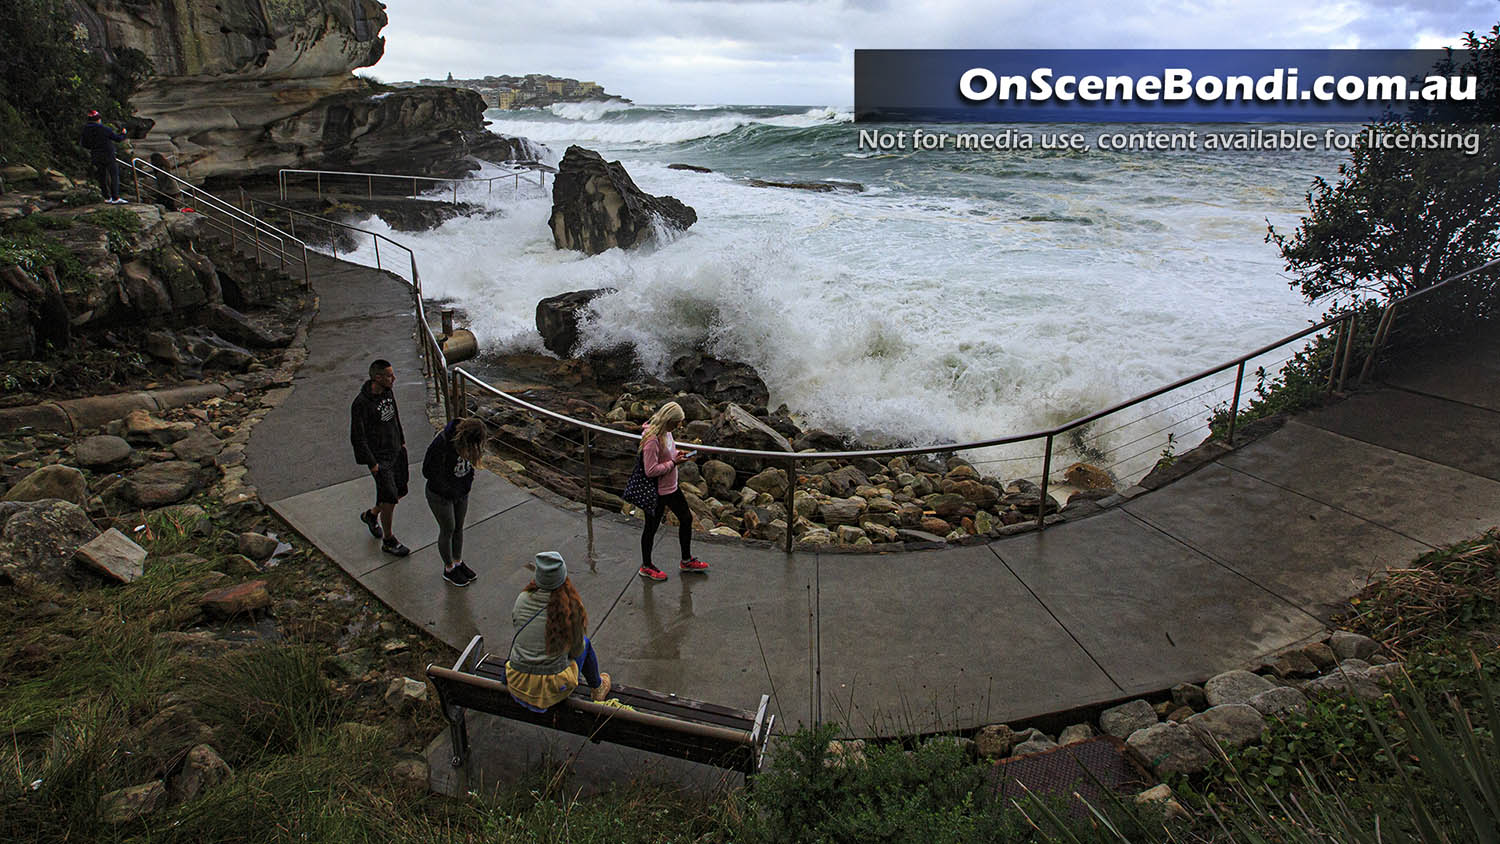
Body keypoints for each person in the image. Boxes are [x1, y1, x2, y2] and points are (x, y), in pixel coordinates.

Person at [506, 552, 611, 710]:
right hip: (552, 690)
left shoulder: (523, 599)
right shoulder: (571, 607)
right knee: (586, 645)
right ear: (563, 577)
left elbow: (518, 627)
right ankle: (598, 687)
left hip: (517, 681)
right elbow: (577, 651)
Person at [637, 401, 709, 581]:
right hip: (657, 491)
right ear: (669, 420)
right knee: (651, 528)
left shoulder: (667, 433)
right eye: (678, 422)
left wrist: (678, 454)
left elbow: (668, 452)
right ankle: (646, 566)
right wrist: (674, 463)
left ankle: (686, 560)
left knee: (686, 518)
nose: (680, 425)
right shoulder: (652, 440)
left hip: (671, 487)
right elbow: (650, 470)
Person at [350, 358, 410, 556]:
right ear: (377, 377)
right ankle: (389, 539)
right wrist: (372, 463)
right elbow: (357, 437)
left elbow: (395, 416)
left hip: (395, 450)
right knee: (390, 498)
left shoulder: (388, 391)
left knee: (399, 491)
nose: (394, 378)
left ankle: (371, 514)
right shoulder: (361, 404)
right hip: (379, 458)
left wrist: (401, 441)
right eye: (390, 376)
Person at [423, 416, 486, 586]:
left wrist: (466, 486)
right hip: (440, 495)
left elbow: (470, 467)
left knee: (459, 528)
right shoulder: (442, 444)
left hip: (461, 493)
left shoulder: (468, 446)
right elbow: (427, 471)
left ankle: (458, 561)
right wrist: (447, 489)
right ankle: (449, 568)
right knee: (447, 529)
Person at [80, 110, 128, 205]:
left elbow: (84, 144)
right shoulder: (104, 128)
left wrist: (94, 147)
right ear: (98, 119)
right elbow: (118, 139)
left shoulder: (85, 130)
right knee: (113, 175)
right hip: (108, 155)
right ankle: (115, 197)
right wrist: (123, 133)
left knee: (102, 176)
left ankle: (106, 197)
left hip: (96, 155)